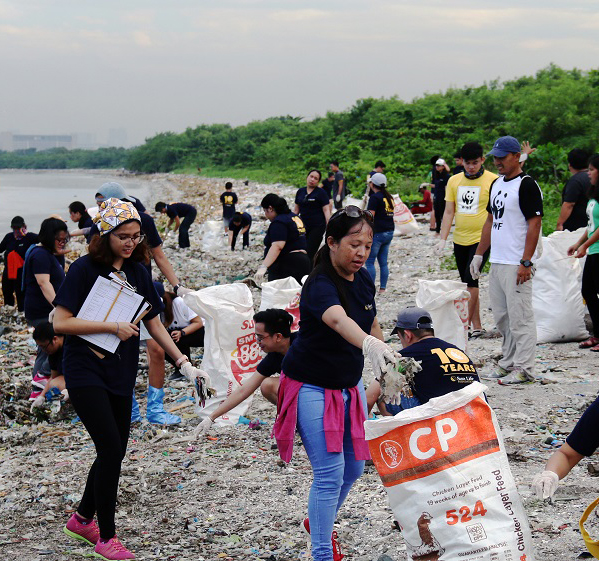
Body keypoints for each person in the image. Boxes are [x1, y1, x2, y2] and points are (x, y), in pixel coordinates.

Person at [53, 198, 210, 560]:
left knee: (116, 450)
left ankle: (81, 518)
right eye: (122, 236)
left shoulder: (139, 271)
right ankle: (106, 537)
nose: (130, 242)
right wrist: (112, 325)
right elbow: (60, 322)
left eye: (136, 236)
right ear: (104, 235)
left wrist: (184, 363)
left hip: (120, 369)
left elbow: (153, 320)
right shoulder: (84, 269)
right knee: (109, 446)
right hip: (84, 367)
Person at [273, 206, 397, 561]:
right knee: (329, 473)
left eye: (368, 245)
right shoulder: (319, 283)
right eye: (354, 244)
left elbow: (370, 322)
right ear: (331, 243)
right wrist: (369, 345)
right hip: (310, 384)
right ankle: (322, 553)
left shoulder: (364, 277)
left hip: (347, 384)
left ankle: (317, 521)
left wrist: (385, 356)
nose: (362, 252)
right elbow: (339, 321)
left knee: (355, 467)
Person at [94, 183, 187, 423]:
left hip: (141, 293)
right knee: (119, 353)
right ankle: (130, 409)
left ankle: (155, 409)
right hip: (112, 296)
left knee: (156, 349)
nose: (101, 208)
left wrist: (177, 285)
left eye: (104, 202)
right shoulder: (102, 224)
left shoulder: (143, 220)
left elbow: (158, 255)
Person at [471, 135, 543, 385]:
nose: (497, 161)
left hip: (516, 261)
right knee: (502, 316)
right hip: (498, 261)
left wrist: (526, 261)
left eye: (502, 157)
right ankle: (508, 361)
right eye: (495, 157)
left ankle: (525, 367)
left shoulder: (526, 185)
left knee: (520, 316)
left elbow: (534, 224)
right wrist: (480, 254)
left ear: (515, 156)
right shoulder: (498, 184)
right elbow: (490, 221)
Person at [195, 308, 295, 433]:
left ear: (278, 337)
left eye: (260, 337)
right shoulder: (273, 358)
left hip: (321, 389)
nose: (258, 342)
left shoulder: (303, 343)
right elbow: (244, 390)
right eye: (256, 337)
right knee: (267, 385)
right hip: (303, 391)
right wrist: (211, 417)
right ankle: (297, 419)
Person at [367, 307, 480, 415]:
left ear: (407, 335)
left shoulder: (406, 355)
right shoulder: (456, 350)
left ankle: (403, 431)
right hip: (475, 412)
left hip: (442, 419)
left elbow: (369, 397)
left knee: (385, 386)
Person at [435, 142, 498, 337]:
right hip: (460, 239)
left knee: (472, 281)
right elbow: (448, 211)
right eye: (468, 163)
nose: (471, 167)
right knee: (468, 284)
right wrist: (442, 238)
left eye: (475, 162)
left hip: (482, 239)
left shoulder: (493, 180)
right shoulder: (454, 181)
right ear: (461, 162)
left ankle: (465, 327)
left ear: (483, 160)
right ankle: (477, 326)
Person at [23, 217, 68, 400]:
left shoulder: (52, 254)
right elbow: (44, 284)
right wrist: (58, 307)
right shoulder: (40, 255)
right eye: (59, 239)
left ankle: (39, 387)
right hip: (42, 311)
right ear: (49, 237)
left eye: (64, 239)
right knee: (47, 346)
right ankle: (39, 382)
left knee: (45, 349)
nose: (62, 243)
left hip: (48, 309)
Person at [567, 154, 599, 351]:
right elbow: (592, 225)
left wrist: (585, 246)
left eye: (592, 170)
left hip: (597, 250)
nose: (588, 173)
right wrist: (578, 242)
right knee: (587, 291)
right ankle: (596, 335)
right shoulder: (593, 194)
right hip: (593, 250)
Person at [255, 194, 311, 284]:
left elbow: (277, 246)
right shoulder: (295, 218)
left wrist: (263, 267)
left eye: (265, 211)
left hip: (287, 265)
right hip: (304, 262)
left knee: (281, 295)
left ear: (270, 208)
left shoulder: (279, 222)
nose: (266, 215)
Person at [155, 283, 205, 382]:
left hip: (202, 331)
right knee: (160, 342)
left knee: (176, 337)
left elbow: (198, 322)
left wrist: (182, 332)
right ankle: (182, 368)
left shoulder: (178, 302)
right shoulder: (158, 312)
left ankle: (187, 366)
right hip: (181, 334)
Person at [0, 216, 38, 311]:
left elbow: (44, 240)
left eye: (18, 228)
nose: (17, 231)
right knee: (7, 291)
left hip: (22, 272)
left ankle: (22, 311)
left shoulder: (29, 237)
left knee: (20, 293)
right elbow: (0, 248)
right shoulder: (9, 237)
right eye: (14, 228)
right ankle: (9, 309)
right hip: (8, 270)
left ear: (24, 226)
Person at [365, 173, 395, 293]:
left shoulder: (375, 198)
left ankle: (370, 289)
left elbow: (370, 216)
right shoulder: (389, 197)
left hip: (378, 232)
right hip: (389, 231)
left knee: (370, 261)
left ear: (372, 184)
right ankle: (383, 288)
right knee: (383, 262)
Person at [294, 170, 331, 262]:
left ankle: (309, 273)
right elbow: (296, 210)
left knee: (310, 251)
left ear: (318, 181)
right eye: (311, 176)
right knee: (300, 249)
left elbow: (326, 210)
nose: (312, 179)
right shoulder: (300, 191)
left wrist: (330, 226)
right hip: (302, 226)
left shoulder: (321, 193)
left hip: (317, 226)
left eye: (315, 178)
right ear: (307, 177)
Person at [29, 321, 67, 407]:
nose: (43, 350)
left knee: (56, 384)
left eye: (44, 346)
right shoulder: (53, 353)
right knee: (53, 384)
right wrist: (41, 396)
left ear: (55, 339)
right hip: (69, 380)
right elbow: (53, 377)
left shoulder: (71, 347)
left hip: (83, 378)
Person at [556, 149, 591, 231]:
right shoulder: (592, 178)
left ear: (570, 165)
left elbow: (569, 204)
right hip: (591, 225)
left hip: (576, 228)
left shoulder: (575, 181)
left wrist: (560, 224)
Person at [431, 158, 450, 235]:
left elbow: (447, 186)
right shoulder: (436, 175)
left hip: (443, 196)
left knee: (443, 213)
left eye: (439, 166)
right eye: (436, 166)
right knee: (437, 213)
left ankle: (444, 230)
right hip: (437, 195)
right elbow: (435, 185)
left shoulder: (446, 176)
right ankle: (437, 230)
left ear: (443, 166)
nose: (437, 167)